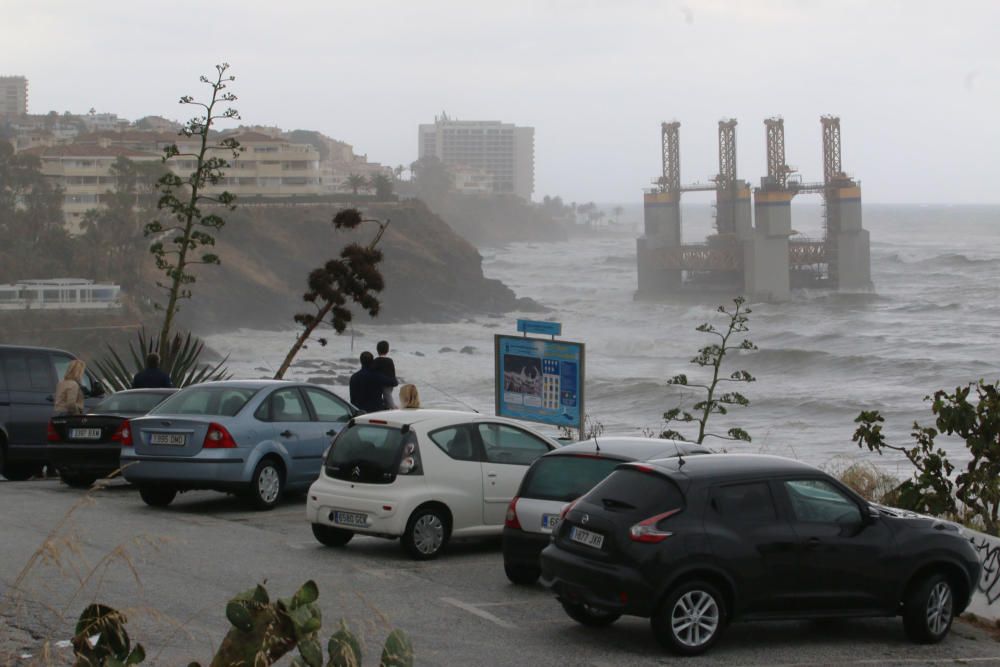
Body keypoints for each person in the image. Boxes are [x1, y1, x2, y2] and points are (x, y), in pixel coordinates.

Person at [371, 340, 397, 409]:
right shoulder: (390, 360)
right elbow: (392, 372)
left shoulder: (375, 361)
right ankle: (391, 408)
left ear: (377, 350)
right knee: (388, 395)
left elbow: (372, 372)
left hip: (378, 383)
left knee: (382, 397)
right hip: (389, 382)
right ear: (387, 350)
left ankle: (391, 408)